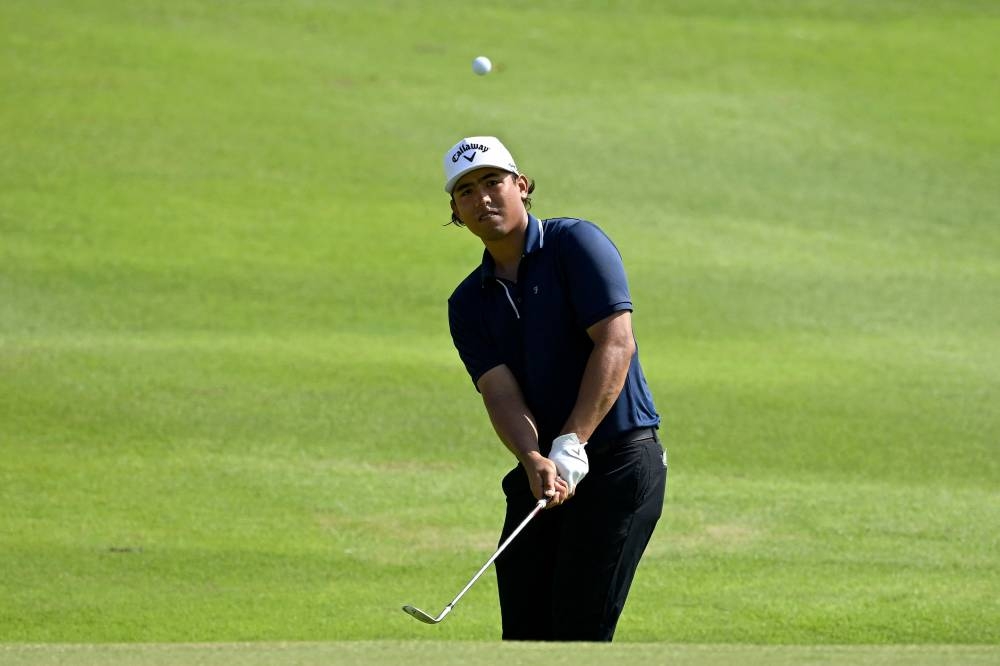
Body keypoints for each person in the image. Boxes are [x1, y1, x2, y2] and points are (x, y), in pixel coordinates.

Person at [443, 135, 667, 642]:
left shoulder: (574, 244)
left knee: (576, 635)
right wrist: (532, 457)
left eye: (493, 182)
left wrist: (573, 440)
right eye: (466, 191)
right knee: (523, 635)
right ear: (456, 212)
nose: (482, 198)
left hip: (618, 463)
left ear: (521, 186)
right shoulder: (468, 303)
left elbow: (615, 343)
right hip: (545, 476)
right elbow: (500, 393)